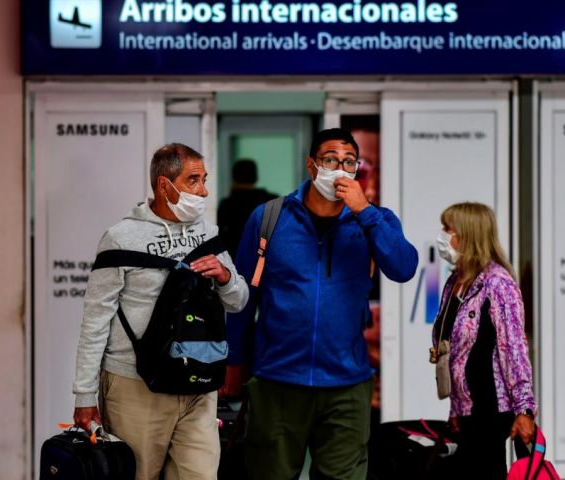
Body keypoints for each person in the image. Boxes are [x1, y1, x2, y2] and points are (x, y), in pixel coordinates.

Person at [224, 128, 418, 480]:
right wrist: (234, 360)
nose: (340, 169)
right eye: (331, 160)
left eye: (349, 162)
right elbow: (241, 294)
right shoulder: (269, 218)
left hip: (346, 383)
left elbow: (404, 268)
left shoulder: (377, 220)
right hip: (277, 380)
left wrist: (364, 212)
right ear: (311, 166)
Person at [72, 143, 249, 480]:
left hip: (198, 383)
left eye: (204, 179)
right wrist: (84, 395)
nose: (203, 190)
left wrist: (226, 277)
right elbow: (95, 320)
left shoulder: (207, 233)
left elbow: (238, 300)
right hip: (135, 384)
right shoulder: (121, 238)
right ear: (164, 186)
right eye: (193, 180)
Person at [431, 202, 535, 479]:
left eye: (447, 229)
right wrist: (455, 407)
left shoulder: (498, 283)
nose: (442, 236)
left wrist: (525, 409)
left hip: (490, 407)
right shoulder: (454, 282)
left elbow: (514, 349)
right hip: (466, 408)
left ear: (467, 235)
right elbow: (454, 351)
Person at [217, 159, 277, 259]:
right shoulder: (270, 201)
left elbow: (221, 237)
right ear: (255, 177)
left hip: (236, 261)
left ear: (234, 178)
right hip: (264, 259)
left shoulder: (228, 205)